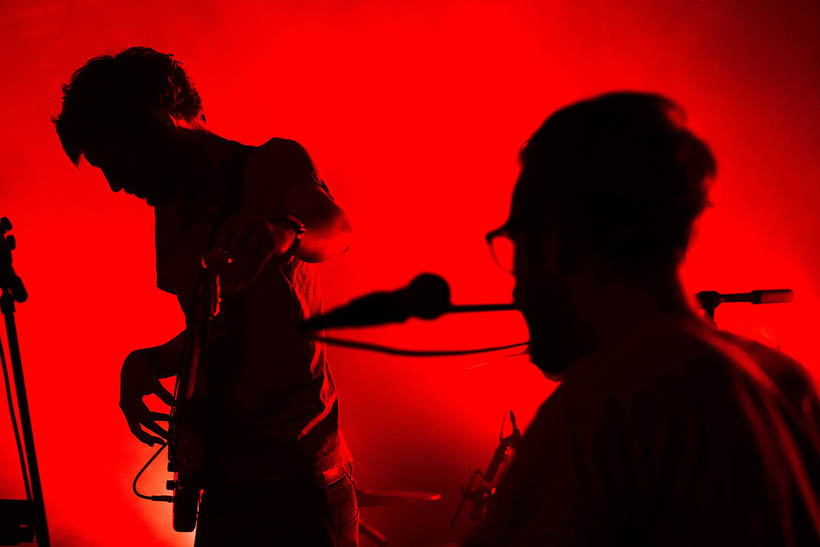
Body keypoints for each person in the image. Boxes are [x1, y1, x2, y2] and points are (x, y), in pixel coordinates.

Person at [470, 92, 820, 545]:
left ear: (559, 244)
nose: (515, 286)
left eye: (515, 243)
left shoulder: (602, 408)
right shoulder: (787, 386)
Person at [54, 47, 358, 546]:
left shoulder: (268, 166)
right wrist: (150, 360)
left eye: (116, 162)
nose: (114, 184)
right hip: (226, 487)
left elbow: (338, 228)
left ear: (156, 123)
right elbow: (219, 330)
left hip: (298, 486)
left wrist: (284, 232)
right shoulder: (169, 212)